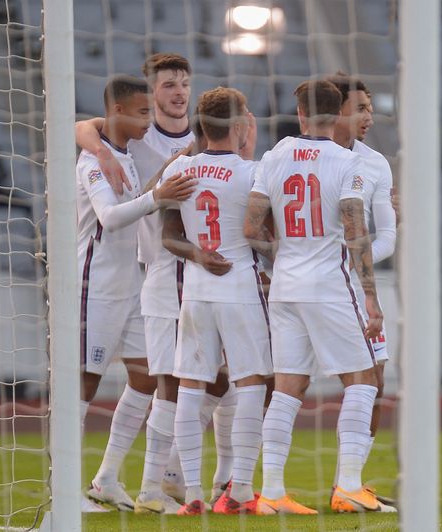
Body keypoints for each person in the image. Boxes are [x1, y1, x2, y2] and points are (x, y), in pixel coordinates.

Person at [74, 53, 242, 510]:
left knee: (161, 379)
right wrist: (100, 147)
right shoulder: (137, 137)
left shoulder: (201, 137)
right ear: (150, 93)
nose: (177, 92)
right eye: (168, 85)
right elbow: (87, 126)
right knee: (104, 379)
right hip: (145, 274)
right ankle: (105, 485)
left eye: (184, 83)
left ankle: (119, 476)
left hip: (164, 279)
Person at [245, 79, 392, 514]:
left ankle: (271, 492)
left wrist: (283, 255)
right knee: (363, 380)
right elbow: (354, 231)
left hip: (285, 287)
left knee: (288, 387)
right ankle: (348, 485)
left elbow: (251, 228)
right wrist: (371, 297)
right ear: (337, 114)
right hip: (329, 285)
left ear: (301, 114)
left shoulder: (274, 157)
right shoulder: (347, 163)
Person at [77, 75, 195, 512]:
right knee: (83, 384)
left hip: (133, 288)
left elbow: (139, 199)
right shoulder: (93, 161)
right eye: (144, 112)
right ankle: (62, 490)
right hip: (97, 287)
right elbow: (108, 217)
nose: (150, 120)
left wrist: (161, 184)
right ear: (119, 112)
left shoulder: (122, 156)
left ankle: (106, 478)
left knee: (147, 376)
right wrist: (157, 198)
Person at [161, 87, 271, 515]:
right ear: (242, 125)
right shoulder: (253, 174)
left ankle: (191, 495)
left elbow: (169, 235)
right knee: (251, 383)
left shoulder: (183, 167)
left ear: (201, 125)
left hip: (196, 288)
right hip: (239, 285)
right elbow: (263, 235)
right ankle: (240, 489)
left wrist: (199, 254)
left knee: (191, 385)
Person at [323, 71, 397, 506]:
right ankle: (235, 484)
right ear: (335, 112)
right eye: (361, 108)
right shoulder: (293, 154)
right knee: (273, 384)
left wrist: (355, 262)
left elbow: (388, 234)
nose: (369, 116)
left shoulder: (375, 163)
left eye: (370, 107)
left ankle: (348, 484)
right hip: (301, 290)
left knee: (375, 379)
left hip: (352, 284)